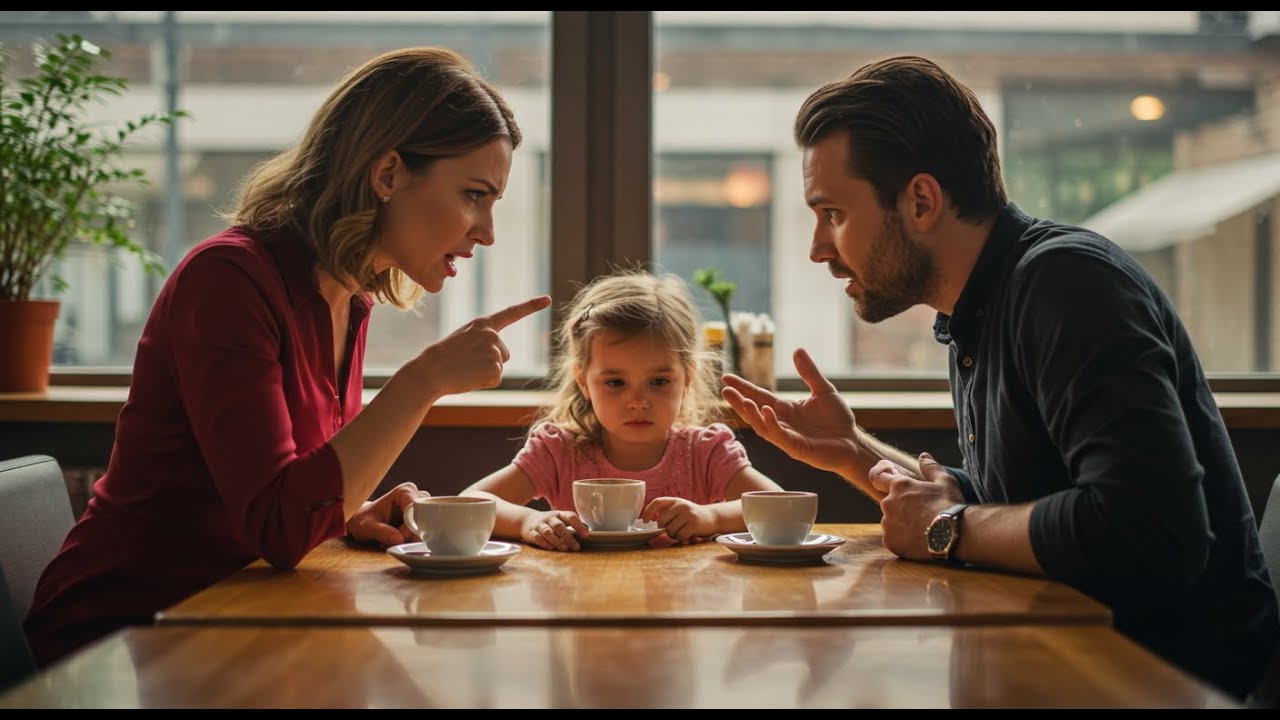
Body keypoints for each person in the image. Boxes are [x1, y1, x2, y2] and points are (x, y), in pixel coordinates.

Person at [720, 54, 1279, 701]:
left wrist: (947, 530)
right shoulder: (981, 311)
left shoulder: (1069, 285)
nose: (819, 247)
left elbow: (1150, 531)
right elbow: (1016, 506)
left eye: (834, 214)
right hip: (1065, 659)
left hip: (1165, 682)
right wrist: (855, 453)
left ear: (922, 200)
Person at [23, 46, 550, 666]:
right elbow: (277, 528)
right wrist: (423, 380)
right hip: (122, 639)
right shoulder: (227, 279)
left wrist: (348, 514)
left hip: (234, 628)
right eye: (473, 195)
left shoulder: (348, 297)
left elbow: (290, 494)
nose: (486, 230)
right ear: (387, 175)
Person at [462, 269, 782, 550]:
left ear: (687, 379)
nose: (637, 401)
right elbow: (469, 504)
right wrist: (526, 522)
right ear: (583, 382)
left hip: (683, 608)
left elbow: (779, 508)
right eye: (615, 383)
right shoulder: (559, 452)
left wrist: (711, 516)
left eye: (658, 381)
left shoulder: (705, 453)